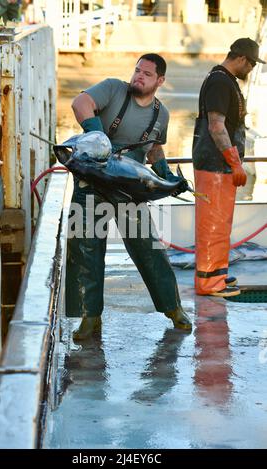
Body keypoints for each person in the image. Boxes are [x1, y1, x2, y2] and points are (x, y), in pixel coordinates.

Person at [67, 53, 192, 340]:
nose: (139, 76)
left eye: (147, 74)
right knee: (85, 248)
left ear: (160, 80)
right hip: (92, 183)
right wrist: (97, 136)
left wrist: (165, 174)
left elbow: (154, 149)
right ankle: (89, 318)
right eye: (137, 71)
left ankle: (174, 309)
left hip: (128, 189)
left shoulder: (162, 113)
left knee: (149, 248)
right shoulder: (113, 88)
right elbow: (80, 103)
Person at [192, 38, 266, 297]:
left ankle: (217, 274)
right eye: (253, 64)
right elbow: (216, 125)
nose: (252, 69)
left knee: (221, 224)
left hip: (219, 166)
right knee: (212, 224)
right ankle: (208, 282)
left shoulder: (224, 80)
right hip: (215, 166)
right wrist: (235, 162)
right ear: (243, 59)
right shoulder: (221, 82)